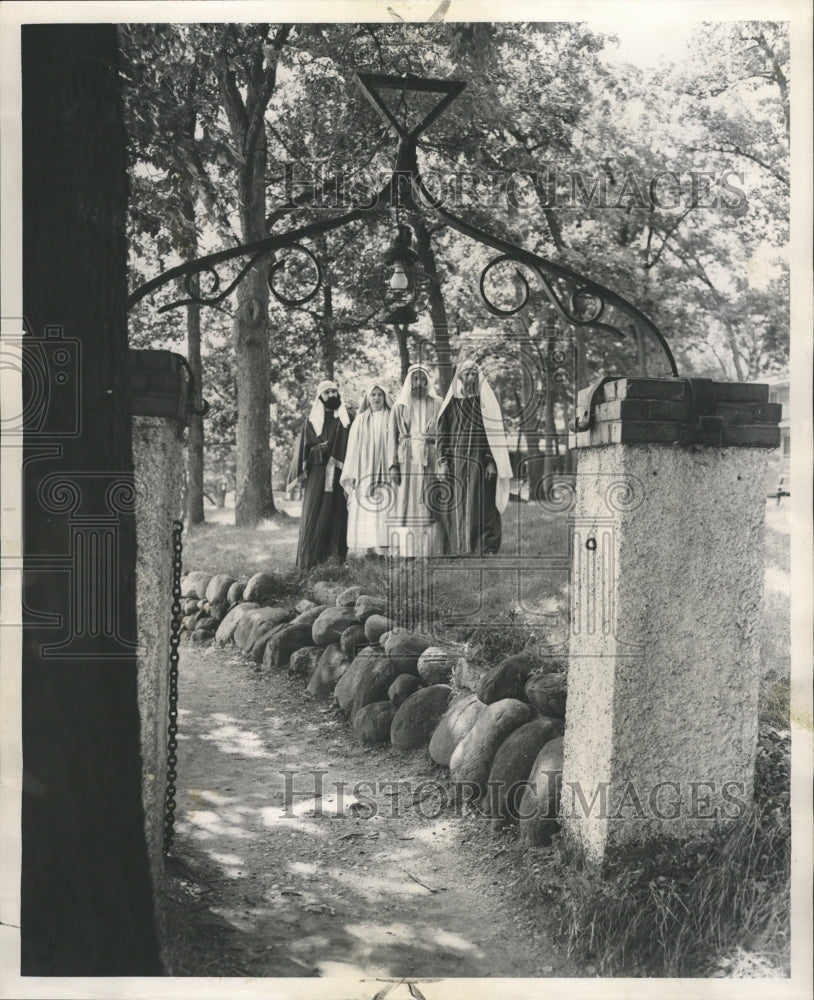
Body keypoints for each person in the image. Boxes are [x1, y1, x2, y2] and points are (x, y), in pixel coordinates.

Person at [436, 359, 512, 555]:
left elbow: (493, 435)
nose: (470, 377)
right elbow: (442, 433)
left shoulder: (485, 402)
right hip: (456, 462)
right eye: (466, 373)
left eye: (473, 373)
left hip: (480, 461)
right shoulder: (451, 403)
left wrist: (491, 462)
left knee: (484, 504)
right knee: (456, 502)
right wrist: (443, 462)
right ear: (460, 376)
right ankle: (457, 546)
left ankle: (486, 547)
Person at [288, 379, 353, 571]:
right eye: (327, 393)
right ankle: (310, 563)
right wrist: (318, 450)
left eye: (334, 391)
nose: (332, 395)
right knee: (314, 515)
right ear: (320, 397)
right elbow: (303, 453)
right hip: (317, 477)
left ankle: (336, 563)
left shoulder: (348, 419)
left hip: (340, 476)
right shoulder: (311, 422)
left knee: (338, 516)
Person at [387, 364, 444, 552]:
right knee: (407, 503)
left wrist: (443, 461)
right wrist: (393, 465)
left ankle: (430, 551)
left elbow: (445, 435)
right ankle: (407, 550)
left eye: (422, 379)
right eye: (415, 379)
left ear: (427, 381)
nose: (418, 383)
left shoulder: (438, 403)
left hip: (429, 457)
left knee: (428, 500)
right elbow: (392, 437)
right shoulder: (399, 406)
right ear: (409, 381)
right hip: (406, 460)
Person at [340, 381, 395, 557]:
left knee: (385, 503)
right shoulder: (360, 419)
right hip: (364, 469)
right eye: (373, 395)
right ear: (368, 398)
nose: (377, 398)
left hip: (386, 468)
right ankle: (366, 548)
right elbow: (353, 448)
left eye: (380, 394)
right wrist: (353, 473)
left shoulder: (392, 416)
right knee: (365, 505)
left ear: (385, 397)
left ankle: (385, 547)